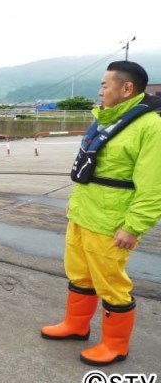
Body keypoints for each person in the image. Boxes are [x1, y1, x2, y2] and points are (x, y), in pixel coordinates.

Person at [41, 61, 161, 366]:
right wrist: (75, 203)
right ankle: (76, 325)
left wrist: (133, 227)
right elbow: (91, 169)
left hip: (111, 221)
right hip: (83, 213)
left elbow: (153, 186)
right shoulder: (105, 120)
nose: (100, 91)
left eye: (105, 85)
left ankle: (115, 344)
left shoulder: (150, 127)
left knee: (111, 282)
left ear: (127, 88)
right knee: (79, 272)